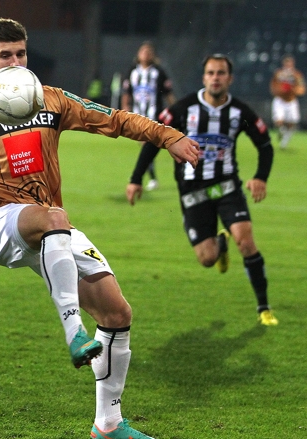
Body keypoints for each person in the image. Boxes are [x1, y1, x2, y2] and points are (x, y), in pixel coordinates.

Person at [0, 18, 199, 439]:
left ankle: (107, 423)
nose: (15, 62)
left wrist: (167, 136)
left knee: (117, 313)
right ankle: (72, 331)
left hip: (51, 228)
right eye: (5, 55)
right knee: (53, 219)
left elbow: (114, 118)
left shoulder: (50, 100)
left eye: (21, 53)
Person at [126, 54, 277, 326]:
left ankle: (264, 308)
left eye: (220, 73)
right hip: (193, 190)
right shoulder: (183, 109)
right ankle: (220, 244)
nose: (215, 78)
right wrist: (136, 178)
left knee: (245, 239)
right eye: (210, 73)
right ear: (204, 77)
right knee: (207, 259)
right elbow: (153, 139)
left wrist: (260, 177)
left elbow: (265, 145)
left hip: (227, 186)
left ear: (229, 78)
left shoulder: (240, 112)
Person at [122, 41, 176, 191]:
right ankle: (145, 174)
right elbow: (126, 93)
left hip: (154, 115)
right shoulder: (133, 71)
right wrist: (125, 108)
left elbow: (168, 93)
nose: (145, 54)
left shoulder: (158, 72)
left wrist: (176, 109)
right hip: (138, 115)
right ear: (138, 55)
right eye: (143, 51)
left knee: (147, 144)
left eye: (148, 52)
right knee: (145, 145)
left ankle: (149, 177)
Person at [269, 54, 305, 149]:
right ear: (283, 64)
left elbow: (301, 89)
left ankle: (284, 142)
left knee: (292, 123)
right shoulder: (278, 74)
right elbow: (273, 85)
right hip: (280, 100)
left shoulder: (297, 75)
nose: (288, 66)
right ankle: (281, 131)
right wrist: (278, 90)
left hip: (291, 101)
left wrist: (294, 90)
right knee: (279, 121)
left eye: (290, 64)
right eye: (287, 64)